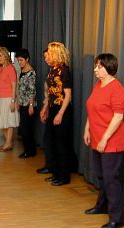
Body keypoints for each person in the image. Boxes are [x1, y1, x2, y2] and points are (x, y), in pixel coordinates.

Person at [83, 53, 124, 228]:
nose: (95, 69)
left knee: (111, 180)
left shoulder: (117, 89)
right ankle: (102, 205)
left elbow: (118, 117)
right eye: (95, 66)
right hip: (96, 137)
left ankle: (117, 218)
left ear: (108, 68)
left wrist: (104, 139)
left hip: (111, 142)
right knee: (101, 175)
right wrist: (87, 129)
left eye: (98, 67)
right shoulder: (98, 85)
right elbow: (91, 108)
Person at [40, 42, 74, 186]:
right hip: (53, 108)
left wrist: (60, 114)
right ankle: (55, 173)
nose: (47, 56)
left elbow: (68, 95)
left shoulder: (64, 71)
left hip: (62, 109)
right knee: (51, 142)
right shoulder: (52, 70)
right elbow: (50, 92)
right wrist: (45, 108)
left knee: (61, 144)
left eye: (50, 53)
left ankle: (64, 176)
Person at [0, 47, 19, 151]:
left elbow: (14, 86)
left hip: (9, 98)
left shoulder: (10, 68)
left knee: (9, 121)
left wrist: (13, 101)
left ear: (6, 56)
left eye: (1, 55)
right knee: (2, 121)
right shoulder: (0, 68)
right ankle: (8, 142)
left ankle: (8, 143)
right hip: (0, 98)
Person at [16, 48, 37, 158]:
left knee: (25, 129)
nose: (19, 62)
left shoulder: (31, 73)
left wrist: (31, 105)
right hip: (23, 103)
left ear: (27, 59)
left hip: (29, 104)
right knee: (24, 128)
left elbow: (32, 91)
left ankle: (30, 151)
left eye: (21, 60)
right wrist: (19, 102)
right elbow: (20, 88)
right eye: (18, 60)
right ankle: (29, 150)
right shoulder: (22, 71)